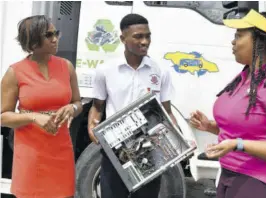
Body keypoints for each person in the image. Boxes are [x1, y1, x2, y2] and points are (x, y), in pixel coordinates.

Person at [189, 9, 266, 198]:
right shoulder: (245, 77)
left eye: (239, 36)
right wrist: (210, 126)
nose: (233, 42)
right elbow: (247, 130)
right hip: (228, 176)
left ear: (261, 42)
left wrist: (238, 145)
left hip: (260, 183)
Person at [88, 13, 177, 198]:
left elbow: (166, 111)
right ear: (123, 38)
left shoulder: (161, 71)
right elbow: (97, 107)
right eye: (138, 36)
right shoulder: (105, 70)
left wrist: (178, 141)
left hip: (150, 150)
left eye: (148, 36)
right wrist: (92, 126)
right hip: (115, 149)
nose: (145, 41)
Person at [1, 15, 82, 198]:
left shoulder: (66, 67)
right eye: (49, 35)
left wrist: (73, 108)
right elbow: (3, 116)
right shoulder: (15, 72)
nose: (55, 39)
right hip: (31, 152)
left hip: (61, 148)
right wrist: (33, 117)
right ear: (33, 41)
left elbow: (77, 102)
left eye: (56, 33)